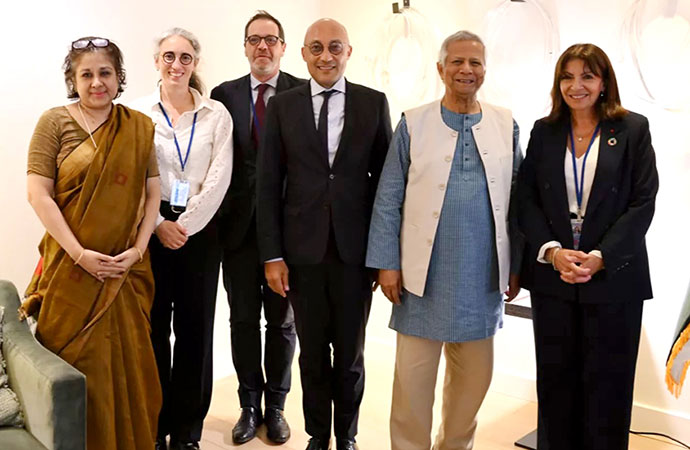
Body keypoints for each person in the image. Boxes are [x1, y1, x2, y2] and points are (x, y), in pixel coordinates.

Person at [366, 30, 522, 450]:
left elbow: (520, 202)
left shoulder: (506, 124)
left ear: (485, 71)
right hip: (422, 280)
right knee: (412, 386)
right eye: (457, 61)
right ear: (440, 69)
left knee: (473, 386)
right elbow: (388, 198)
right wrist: (387, 263)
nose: (466, 70)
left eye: (475, 62)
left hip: (481, 278)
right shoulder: (413, 122)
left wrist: (517, 266)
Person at [256, 18, 392, 450]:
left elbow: (386, 187)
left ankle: (347, 435)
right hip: (302, 254)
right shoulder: (284, 106)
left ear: (348, 52)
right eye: (316, 48)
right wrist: (272, 255)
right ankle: (318, 435)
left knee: (350, 356)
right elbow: (267, 184)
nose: (326, 56)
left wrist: (384, 256)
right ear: (303, 54)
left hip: (355, 254)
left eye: (335, 47)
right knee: (312, 354)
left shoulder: (373, 103)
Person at [516, 43, 658, 450]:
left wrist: (600, 257)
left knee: (609, 385)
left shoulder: (632, 129)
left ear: (604, 82)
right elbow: (525, 198)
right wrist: (552, 251)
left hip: (613, 276)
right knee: (556, 381)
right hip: (555, 276)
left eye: (587, 76)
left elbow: (643, 201)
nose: (576, 86)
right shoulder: (544, 131)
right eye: (567, 76)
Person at [23, 37, 162, 449]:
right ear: (73, 80)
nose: (97, 82)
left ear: (119, 78)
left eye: (105, 73)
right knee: (71, 368)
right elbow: (38, 193)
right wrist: (80, 254)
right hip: (69, 272)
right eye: (86, 74)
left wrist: (138, 250)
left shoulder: (137, 127)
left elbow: (152, 191)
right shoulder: (54, 122)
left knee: (132, 366)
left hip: (125, 271)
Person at [130, 28, 233, 450]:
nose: (177, 64)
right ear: (157, 61)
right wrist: (158, 224)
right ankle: (156, 426)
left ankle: (188, 432)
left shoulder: (216, 115)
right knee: (153, 330)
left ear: (195, 63)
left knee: (195, 333)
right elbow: (132, 177)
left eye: (185, 57)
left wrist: (184, 225)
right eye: (169, 56)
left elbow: (219, 177)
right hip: (149, 229)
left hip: (200, 233)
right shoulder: (136, 113)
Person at [210, 10, 304, 445]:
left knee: (282, 324)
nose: (262, 46)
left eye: (270, 39)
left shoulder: (302, 92)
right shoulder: (223, 94)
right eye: (254, 39)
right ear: (245, 47)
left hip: (287, 233)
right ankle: (249, 405)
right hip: (238, 231)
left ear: (283, 47)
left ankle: (277, 406)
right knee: (243, 320)